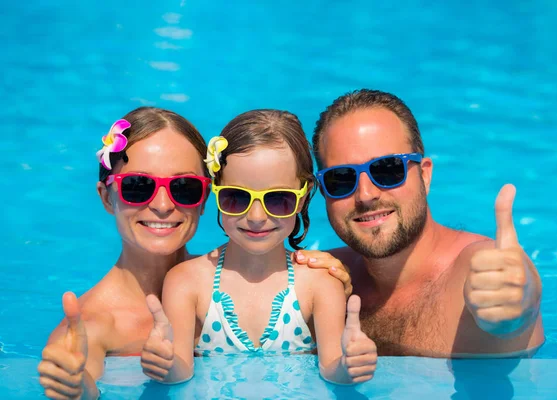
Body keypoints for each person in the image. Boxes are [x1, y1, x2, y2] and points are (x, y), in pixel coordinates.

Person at [296, 89, 544, 357]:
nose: (366, 195)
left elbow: (511, 290)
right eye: (341, 178)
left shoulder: (474, 269)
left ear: (425, 176)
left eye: (388, 169)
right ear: (322, 191)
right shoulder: (323, 280)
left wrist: (515, 303)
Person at [139, 109, 377, 385]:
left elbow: (331, 368)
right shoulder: (186, 282)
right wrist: (165, 365)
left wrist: (349, 366)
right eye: (236, 198)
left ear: (302, 197)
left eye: (278, 199)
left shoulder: (318, 283)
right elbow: (182, 370)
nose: (256, 217)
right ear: (215, 192)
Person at [37, 107, 211, 399]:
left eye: (184, 187)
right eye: (138, 186)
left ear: (204, 199)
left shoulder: (237, 280)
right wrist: (76, 384)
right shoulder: (93, 326)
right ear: (107, 197)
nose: (163, 205)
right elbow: (81, 377)